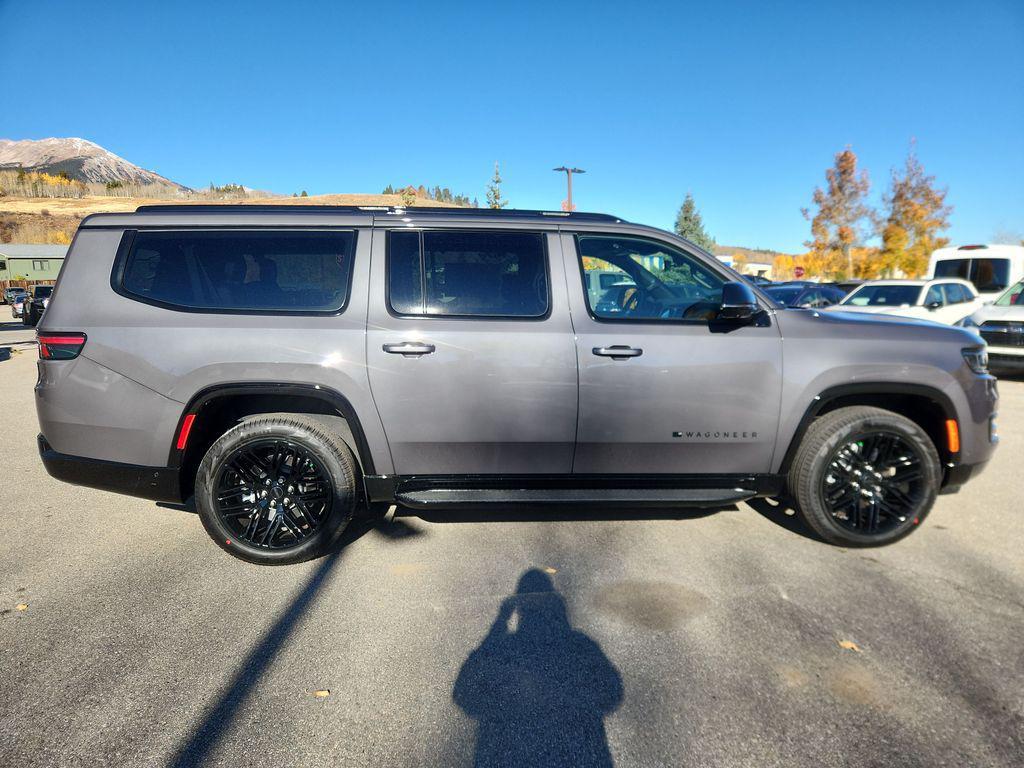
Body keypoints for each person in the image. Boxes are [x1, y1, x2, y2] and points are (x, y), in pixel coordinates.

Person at [453, 569, 623, 767]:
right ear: (556, 608)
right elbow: (613, 692)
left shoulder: (502, 649)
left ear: (519, 610)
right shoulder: (580, 646)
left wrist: (499, 625)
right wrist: (576, 707)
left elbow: (463, 692)